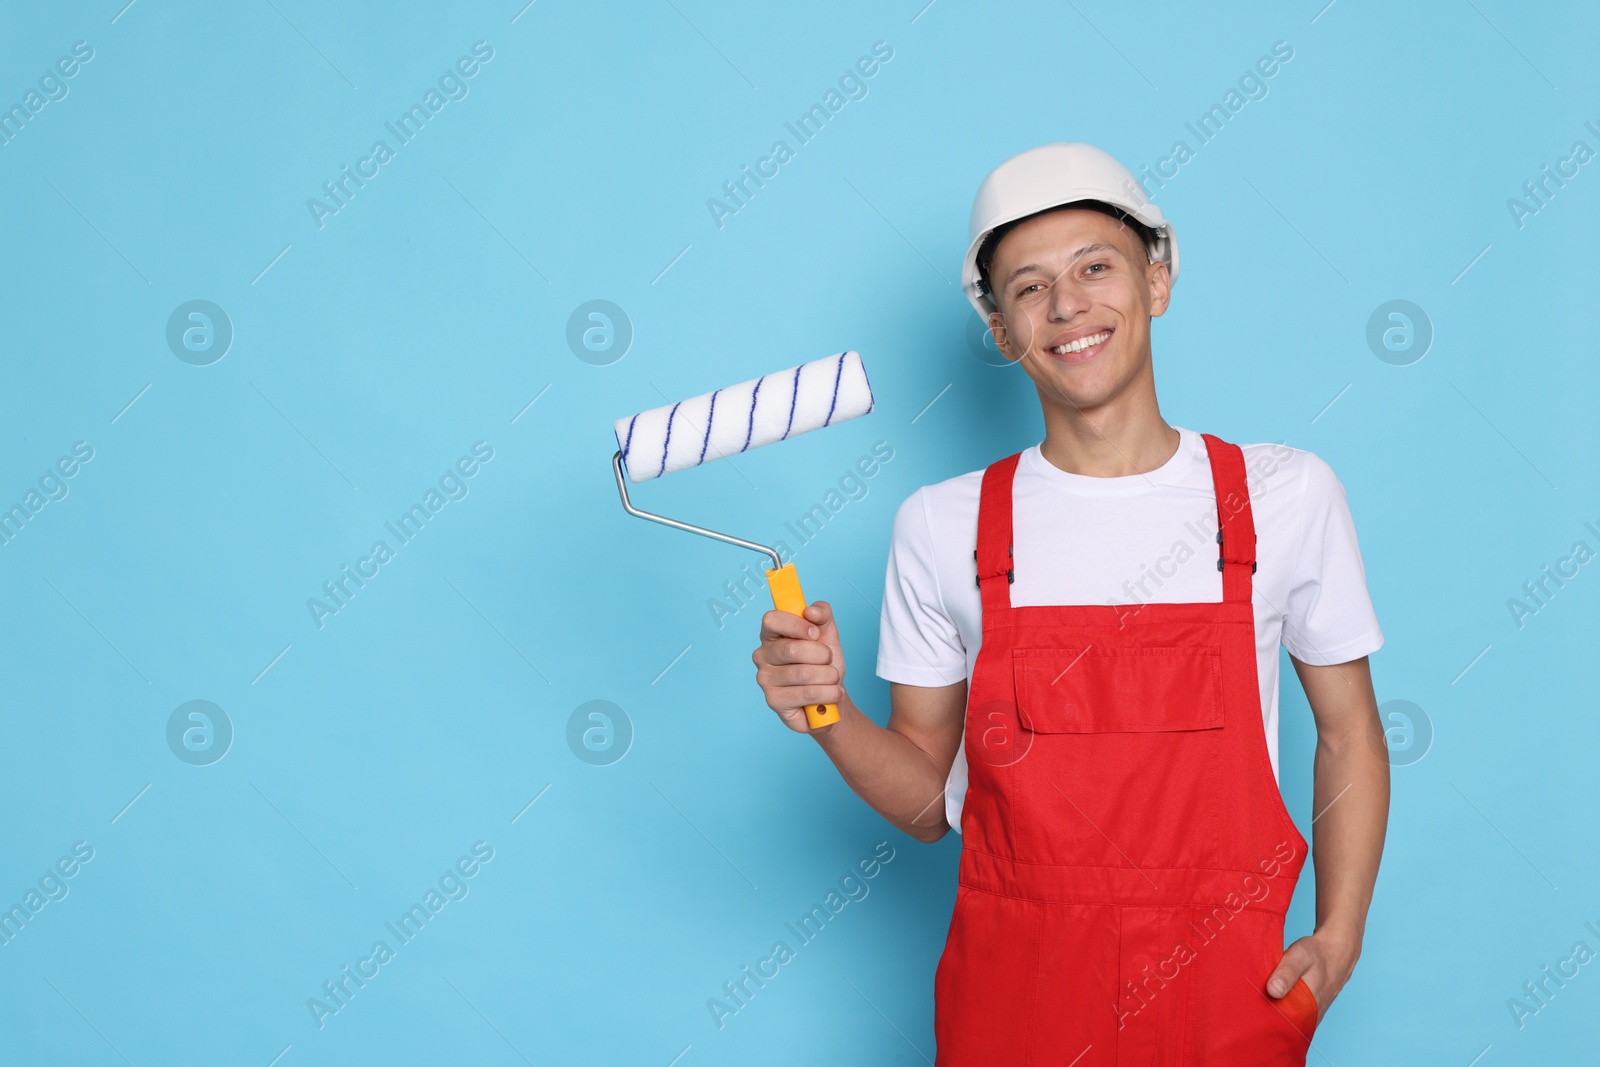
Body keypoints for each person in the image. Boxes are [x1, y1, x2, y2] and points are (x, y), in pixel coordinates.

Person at [750, 142, 1390, 1063]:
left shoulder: (1283, 496)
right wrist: (825, 711)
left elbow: (1351, 733)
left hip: (1224, 1002)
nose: (1068, 307)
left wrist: (1341, 936)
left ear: (1157, 280)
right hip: (1017, 1005)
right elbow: (931, 802)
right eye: (1030, 287)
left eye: (1096, 267)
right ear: (1004, 332)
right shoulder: (944, 526)